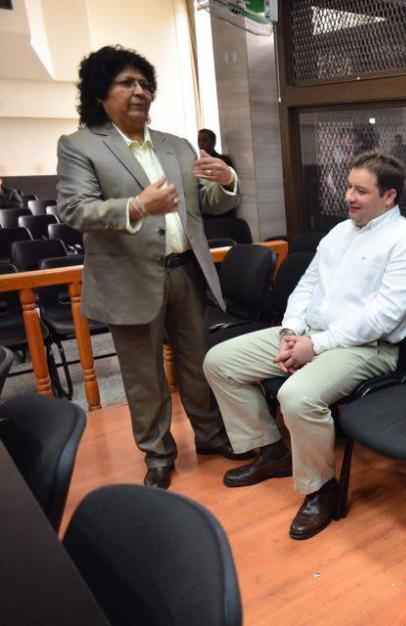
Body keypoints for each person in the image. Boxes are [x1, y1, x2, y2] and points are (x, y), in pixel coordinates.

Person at [203, 150, 406, 540]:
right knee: (220, 361)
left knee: (296, 397)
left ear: (389, 197)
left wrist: (315, 344)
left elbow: (381, 318)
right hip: (309, 333)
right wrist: (291, 332)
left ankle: (320, 489)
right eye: (349, 187)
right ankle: (272, 449)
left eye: (361, 191)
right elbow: (307, 285)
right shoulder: (340, 232)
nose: (349, 196)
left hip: (367, 349)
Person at [56, 45, 250, 490]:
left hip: (187, 271)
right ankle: (158, 453)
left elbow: (205, 204)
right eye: (127, 83)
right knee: (143, 375)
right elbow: (74, 210)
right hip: (128, 278)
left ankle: (210, 435)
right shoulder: (80, 145)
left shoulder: (176, 146)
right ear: (101, 93)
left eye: (144, 83)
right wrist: (138, 206)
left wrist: (227, 181)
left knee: (198, 364)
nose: (139, 91)